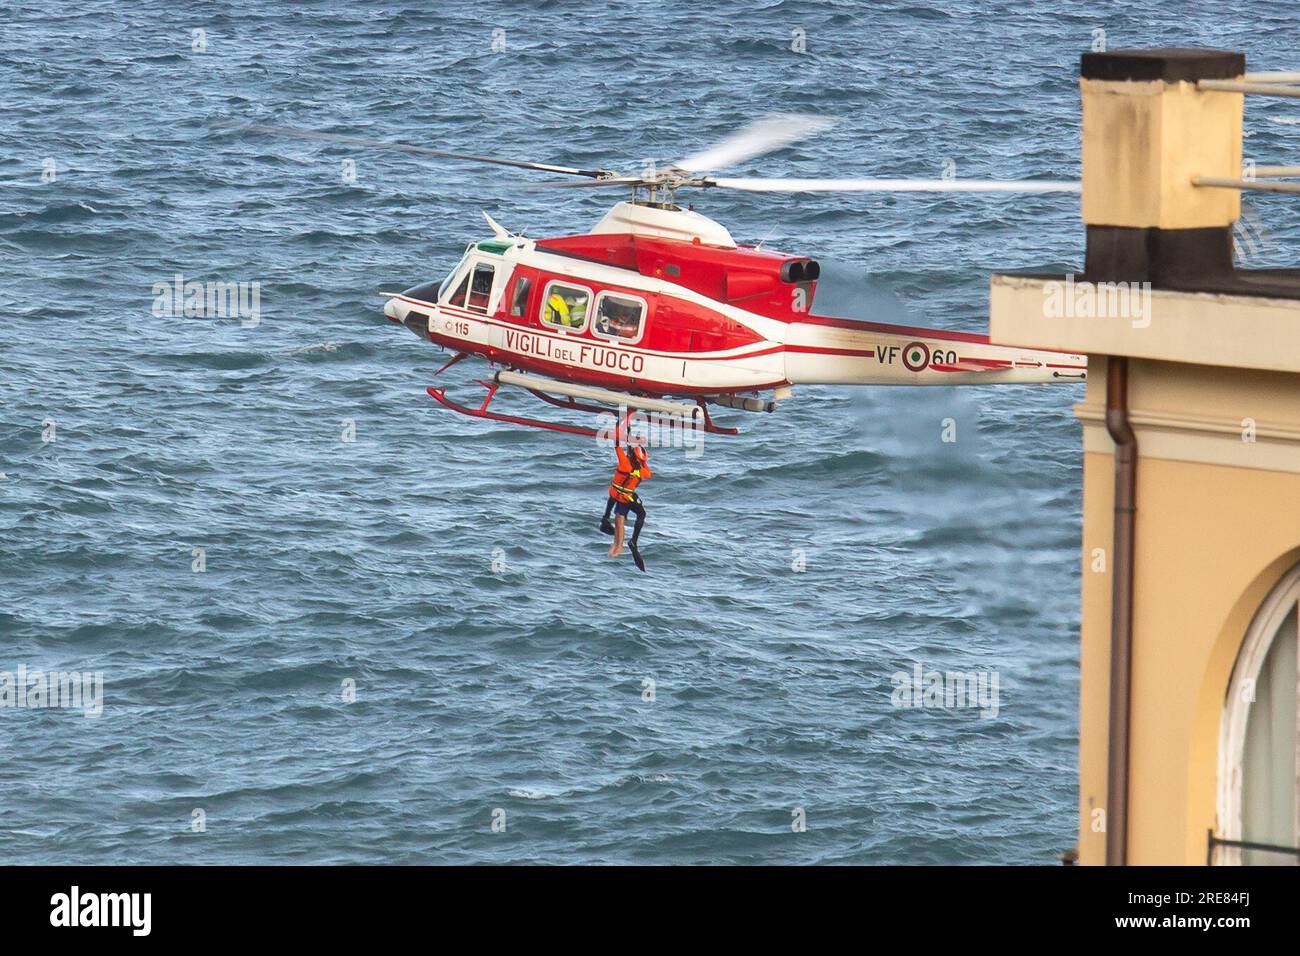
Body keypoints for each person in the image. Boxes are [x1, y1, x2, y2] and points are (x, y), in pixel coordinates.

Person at [601, 443, 650, 571]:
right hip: (627, 497)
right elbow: (647, 473)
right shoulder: (642, 471)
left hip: (618, 496)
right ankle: (632, 541)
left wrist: (628, 450)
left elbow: (617, 447)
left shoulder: (624, 463)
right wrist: (639, 460)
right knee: (641, 514)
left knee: (619, 520)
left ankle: (616, 548)